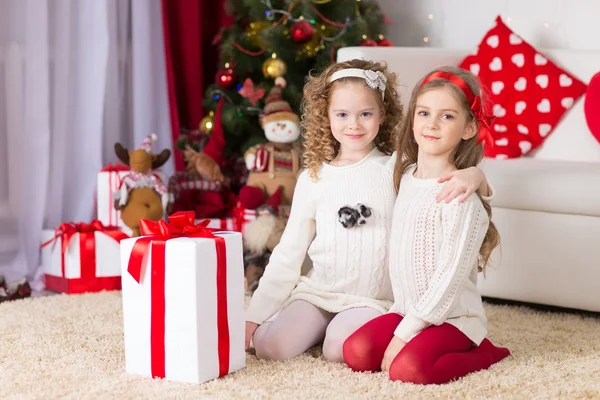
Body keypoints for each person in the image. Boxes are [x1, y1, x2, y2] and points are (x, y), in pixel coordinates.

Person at [245, 60, 493, 363]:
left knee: (338, 351)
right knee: (271, 349)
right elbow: (288, 253)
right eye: (342, 114)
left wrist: (475, 176)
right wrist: (254, 317)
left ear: (382, 115)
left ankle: (328, 332)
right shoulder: (313, 178)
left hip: (372, 300)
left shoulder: (398, 168)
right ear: (326, 116)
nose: (354, 124)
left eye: (365, 114)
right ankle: (301, 323)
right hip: (319, 292)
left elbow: (438, 178)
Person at [342, 66, 511, 384]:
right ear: (413, 117)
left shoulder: (461, 197)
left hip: (453, 317)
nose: (431, 124)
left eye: (447, 116)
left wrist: (403, 335)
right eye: (424, 113)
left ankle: (486, 351)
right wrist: (403, 325)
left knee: (407, 370)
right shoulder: (404, 176)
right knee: (356, 352)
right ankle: (414, 339)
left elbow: (448, 282)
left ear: (469, 128)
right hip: (407, 309)